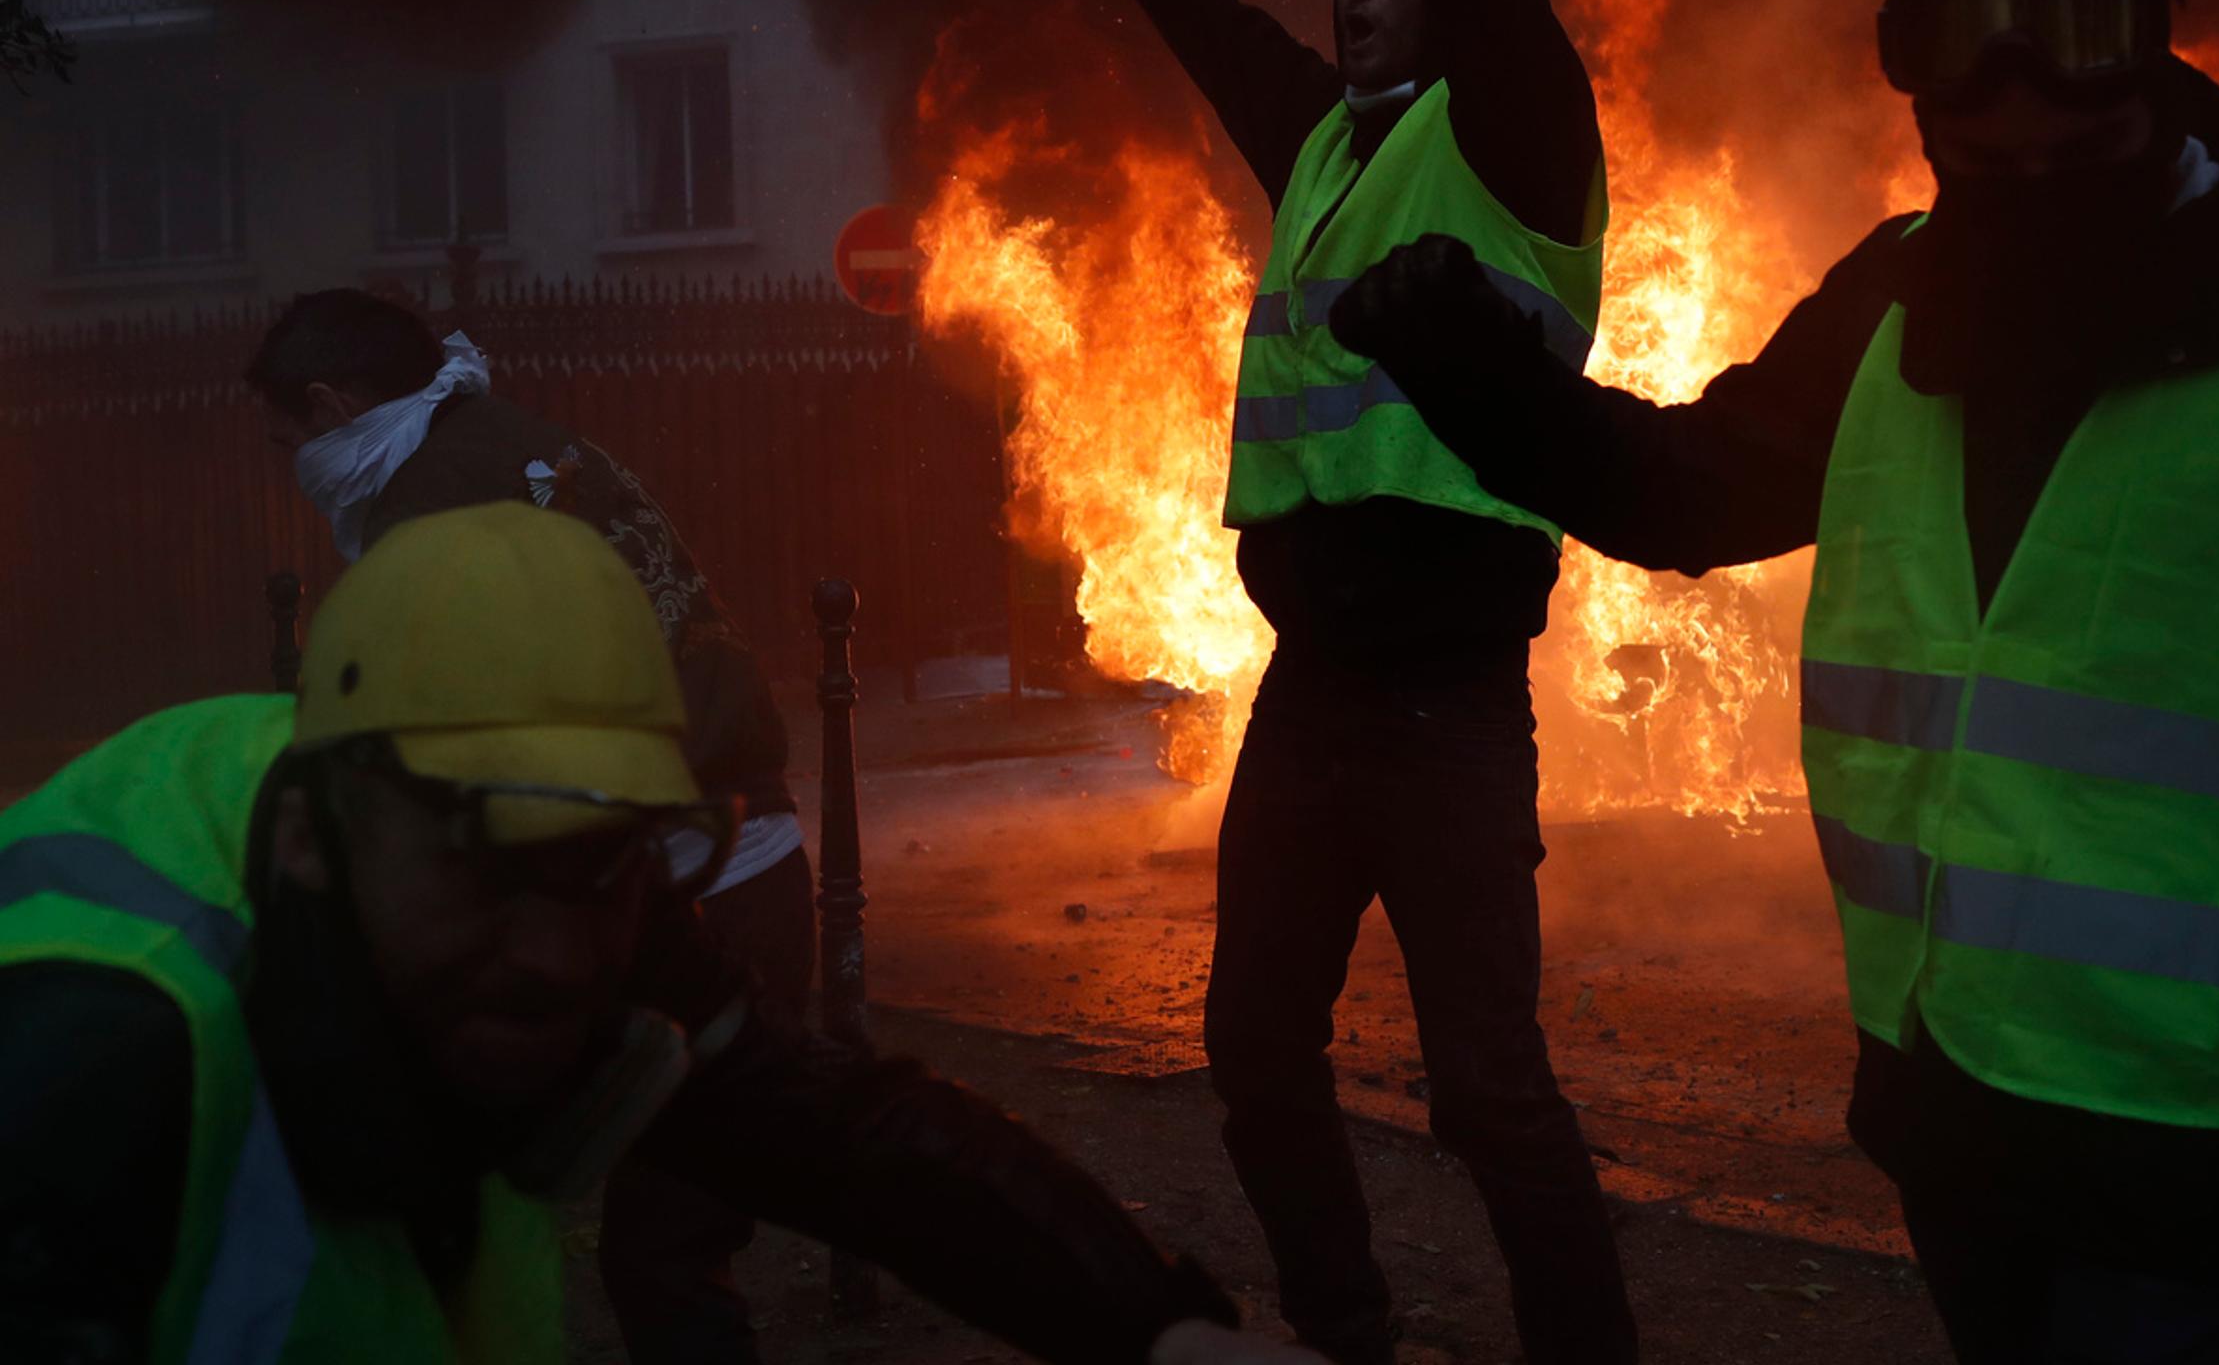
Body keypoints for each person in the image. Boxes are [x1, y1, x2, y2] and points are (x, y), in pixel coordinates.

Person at [1332, 0, 2219, 1364]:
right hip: (1957, 1126)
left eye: (2070, 144)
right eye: (1982, 156)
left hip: (2206, 1152)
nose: (2027, 185)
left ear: (2153, 85)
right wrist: (1471, 369)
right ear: (1931, 127)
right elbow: (1682, 492)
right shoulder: (1897, 308)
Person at [978, 0, 1633, 1365]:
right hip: (1314, 690)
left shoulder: (1512, 133)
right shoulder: (1322, 144)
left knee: (1490, 1096)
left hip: (1445, 708)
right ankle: (1347, 1334)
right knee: (1252, 1062)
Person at [0, 501, 1315, 1365]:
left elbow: (841, 1133)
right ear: (311, 840)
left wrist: (1157, 1331)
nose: (564, 957)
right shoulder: (87, 1072)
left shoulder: (557, 898)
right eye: (489, 865)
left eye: (605, 867)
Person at [246, 285, 812, 1363]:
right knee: (672, 1226)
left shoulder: (439, 513)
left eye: (287, 441)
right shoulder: (508, 446)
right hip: (709, 868)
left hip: (684, 889)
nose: (291, 469)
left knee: (657, 1253)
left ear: (327, 407)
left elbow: (457, 774)